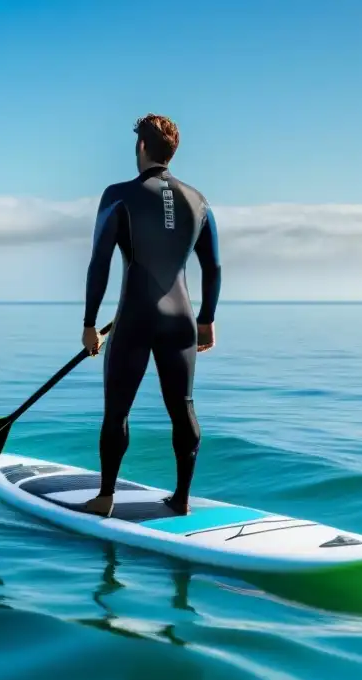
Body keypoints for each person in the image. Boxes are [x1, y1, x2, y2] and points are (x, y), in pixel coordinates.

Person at [80, 113, 221, 518]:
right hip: (181, 321)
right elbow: (213, 268)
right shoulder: (199, 200)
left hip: (135, 319)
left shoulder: (118, 195)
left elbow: (99, 264)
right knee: (183, 408)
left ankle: (105, 497)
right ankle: (181, 499)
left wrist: (90, 324)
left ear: (141, 147)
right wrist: (206, 320)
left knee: (117, 410)